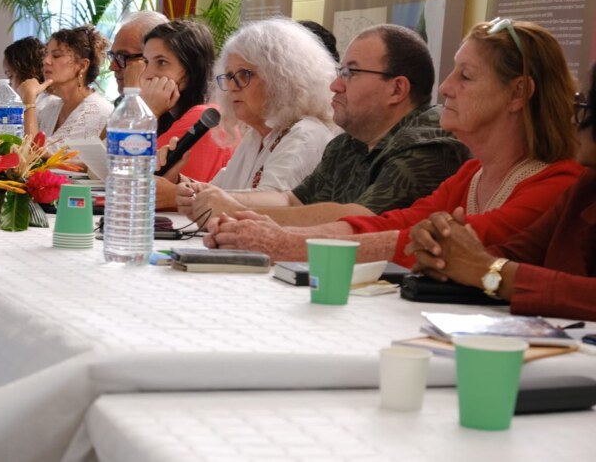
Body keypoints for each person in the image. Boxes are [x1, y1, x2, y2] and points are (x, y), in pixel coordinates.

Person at [206, 19, 583, 267]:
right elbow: (391, 224)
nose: (447, 87)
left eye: (466, 76)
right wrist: (274, 234)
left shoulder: (558, 184)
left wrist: (285, 243)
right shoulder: (472, 176)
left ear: (518, 93)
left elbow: (428, 242)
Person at [178, 24, 469, 225]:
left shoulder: (427, 142)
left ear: (397, 89)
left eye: (350, 73)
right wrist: (212, 199)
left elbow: (359, 220)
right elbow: (293, 201)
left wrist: (235, 209)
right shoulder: (347, 143)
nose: (335, 84)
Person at [407, 64, 596, 322]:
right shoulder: (586, 187)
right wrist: (441, 251)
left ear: (518, 93)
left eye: (585, 108)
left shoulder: (560, 178)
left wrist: (485, 270)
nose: (575, 119)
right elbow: (515, 253)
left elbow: (488, 264)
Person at [171, 18, 342, 215]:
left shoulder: (305, 134)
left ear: (282, 79)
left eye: (244, 74)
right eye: (229, 76)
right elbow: (220, 192)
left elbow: (271, 206)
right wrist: (180, 184)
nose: (233, 86)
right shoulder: (255, 136)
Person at [139, 20, 236, 209]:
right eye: (146, 62)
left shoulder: (203, 117)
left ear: (191, 71)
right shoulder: (172, 117)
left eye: (161, 62)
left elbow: (131, 176)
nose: (148, 74)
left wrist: (147, 113)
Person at [18, 25, 113, 154]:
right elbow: (19, 146)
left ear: (82, 65)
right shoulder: (51, 105)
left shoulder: (95, 110)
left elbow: (35, 154)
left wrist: (29, 98)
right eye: (46, 54)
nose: (46, 61)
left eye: (56, 55)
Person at [108, 10, 169, 107]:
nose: (112, 67)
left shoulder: (185, 114)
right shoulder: (121, 103)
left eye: (123, 56)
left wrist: (132, 95)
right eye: (112, 56)